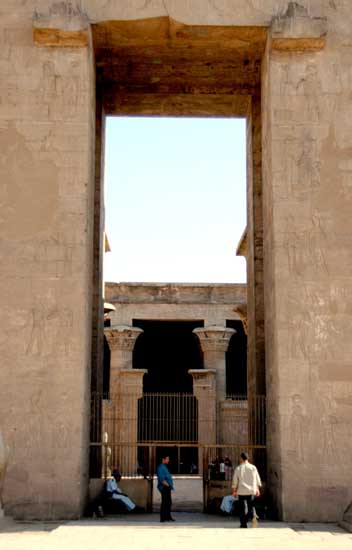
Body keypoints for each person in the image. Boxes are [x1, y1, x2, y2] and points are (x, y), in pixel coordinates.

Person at [232, 452, 261, 528]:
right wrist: (257, 489)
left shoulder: (238, 468)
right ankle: (252, 517)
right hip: (251, 491)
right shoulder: (253, 467)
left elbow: (235, 480)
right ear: (248, 458)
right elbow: (257, 479)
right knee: (250, 506)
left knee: (242, 508)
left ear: (241, 458)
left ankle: (243, 523)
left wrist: (234, 490)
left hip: (241, 491)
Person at [156, 455, 175, 522]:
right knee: (165, 502)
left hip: (167, 487)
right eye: (167, 459)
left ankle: (168, 517)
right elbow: (161, 479)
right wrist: (167, 485)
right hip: (164, 487)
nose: (168, 460)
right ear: (163, 459)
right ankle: (163, 518)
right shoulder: (160, 467)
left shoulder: (164, 467)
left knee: (168, 502)